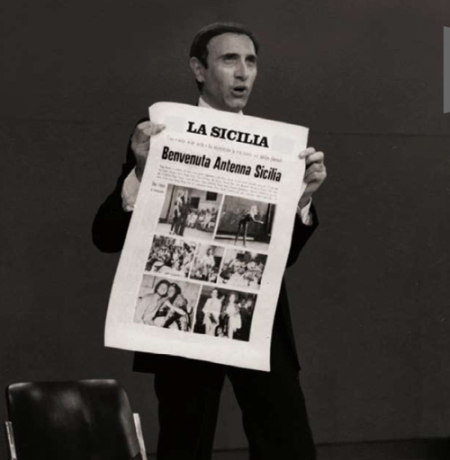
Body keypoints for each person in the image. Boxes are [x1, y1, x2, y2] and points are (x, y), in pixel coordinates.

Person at [93, 22, 326, 460]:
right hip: (184, 323)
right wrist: (141, 172)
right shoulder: (159, 135)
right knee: (184, 445)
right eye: (229, 60)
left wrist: (302, 201)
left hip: (255, 318)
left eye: (251, 61)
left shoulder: (276, 149)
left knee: (288, 443)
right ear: (198, 69)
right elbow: (104, 236)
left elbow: (283, 257)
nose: (243, 72)